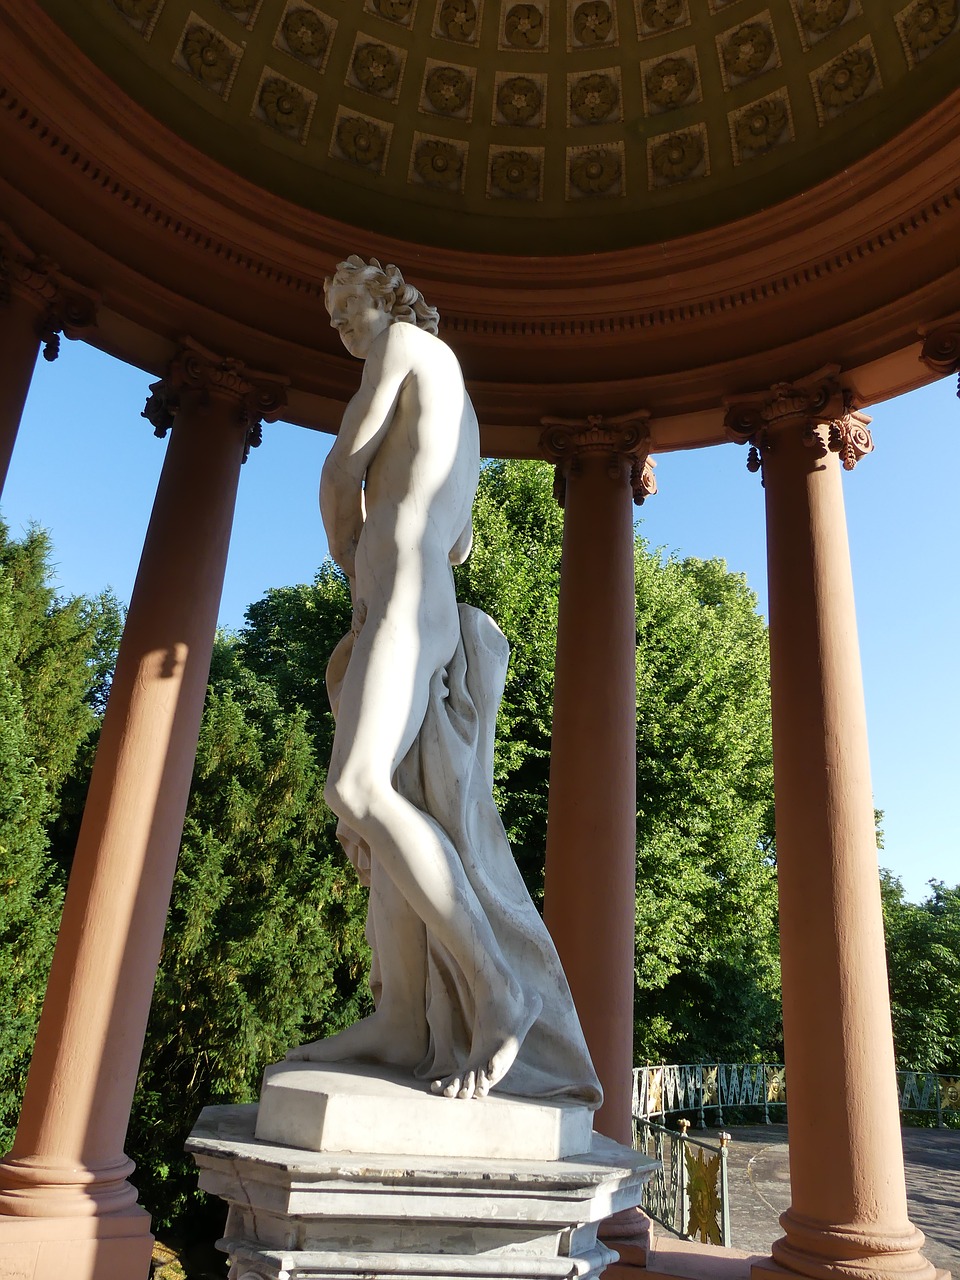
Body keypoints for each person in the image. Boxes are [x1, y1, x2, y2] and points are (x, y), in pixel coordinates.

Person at [286, 256, 600, 1108]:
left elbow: (339, 467)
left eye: (350, 304)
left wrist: (347, 550)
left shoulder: (405, 349)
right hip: (424, 603)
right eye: (335, 313)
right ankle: (404, 1017)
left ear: (388, 301)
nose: (344, 325)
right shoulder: (461, 407)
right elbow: (458, 539)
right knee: (395, 802)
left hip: (402, 603)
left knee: (354, 788)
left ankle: (499, 986)